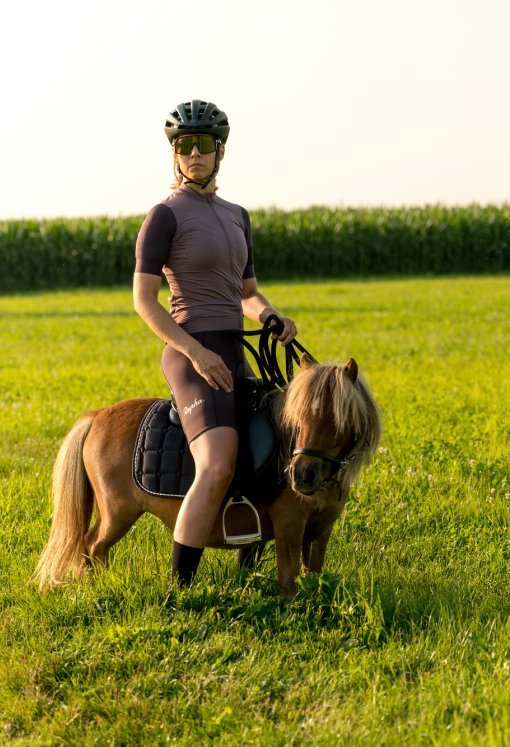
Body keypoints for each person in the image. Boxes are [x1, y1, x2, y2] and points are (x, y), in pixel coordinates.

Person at [133, 99, 297, 587]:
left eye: (204, 145)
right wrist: (195, 352)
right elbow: (145, 302)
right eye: (185, 146)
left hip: (233, 349)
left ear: (220, 151)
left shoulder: (237, 216)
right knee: (219, 461)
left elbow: (244, 293)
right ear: (176, 155)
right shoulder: (164, 216)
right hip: (191, 350)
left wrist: (270, 314)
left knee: (264, 451)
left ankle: (249, 554)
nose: (194, 154)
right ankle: (180, 590)